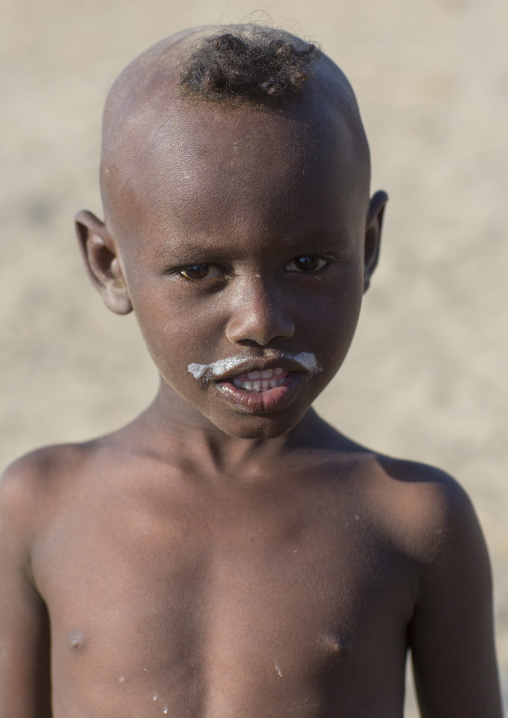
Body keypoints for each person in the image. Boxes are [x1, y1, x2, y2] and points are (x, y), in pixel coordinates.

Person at [0, 24, 502, 718]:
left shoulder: (413, 520)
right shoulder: (39, 507)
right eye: (199, 270)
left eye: (307, 263)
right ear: (109, 266)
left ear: (369, 244)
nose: (260, 320)